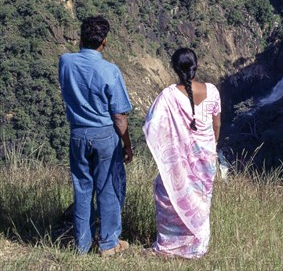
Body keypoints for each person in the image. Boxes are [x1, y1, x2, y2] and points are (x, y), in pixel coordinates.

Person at [58, 16, 133, 257]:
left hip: (78, 133)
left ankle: (82, 245)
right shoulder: (110, 70)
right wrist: (127, 144)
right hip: (104, 136)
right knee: (107, 189)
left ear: (80, 37)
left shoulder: (65, 62)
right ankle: (109, 243)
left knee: (82, 189)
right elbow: (119, 115)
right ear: (105, 41)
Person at [143, 48, 221, 259]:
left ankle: (170, 245)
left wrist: (166, 147)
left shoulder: (168, 96)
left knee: (167, 193)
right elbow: (216, 125)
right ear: (197, 66)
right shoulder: (212, 91)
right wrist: (210, 147)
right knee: (201, 201)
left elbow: (151, 126)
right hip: (206, 159)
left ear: (175, 69)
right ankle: (196, 245)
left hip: (178, 160)